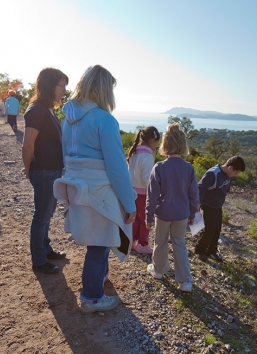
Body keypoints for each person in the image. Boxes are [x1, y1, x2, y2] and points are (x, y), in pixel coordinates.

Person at [53, 65, 137, 314]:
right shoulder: (105, 119)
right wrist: (130, 205)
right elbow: (117, 168)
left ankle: (97, 281)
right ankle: (91, 297)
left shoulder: (67, 119)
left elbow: (65, 157)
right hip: (100, 190)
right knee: (99, 244)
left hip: (77, 188)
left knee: (95, 242)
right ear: (103, 89)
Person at [22, 68, 69, 274]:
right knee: (41, 215)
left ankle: (46, 248)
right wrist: (27, 168)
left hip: (53, 170)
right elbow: (27, 144)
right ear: (50, 85)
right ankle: (39, 260)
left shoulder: (48, 109)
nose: (64, 90)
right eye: (62, 86)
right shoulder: (37, 110)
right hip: (44, 171)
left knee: (47, 213)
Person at [145, 123, 199, 293]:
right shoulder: (189, 168)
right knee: (179, 244)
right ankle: (185, 281)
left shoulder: (159, 167)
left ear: (165, 145)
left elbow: (152, 195)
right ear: (183, 145)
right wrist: (192, 213)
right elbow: (193, 195)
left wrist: (148, 217)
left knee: (160, 242)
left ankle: (159, 271)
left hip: (162, 214)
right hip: (182, 214)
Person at [194, 156, 246, 262]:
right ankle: (200, 250)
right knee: (209, 229)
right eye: (236, 173)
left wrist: (225, 192)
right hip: (208, 205)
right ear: (230, 168)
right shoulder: (213, 173)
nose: (235, 176)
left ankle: (211, 251)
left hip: (217, 206)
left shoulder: (227, 175)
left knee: (217, 230)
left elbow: (226, 186)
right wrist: (197, 203)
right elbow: (200, 187)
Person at [127, 126, 160, 254]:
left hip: (132, 191)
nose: (157, 146)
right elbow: (147, 179)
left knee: (134, 218)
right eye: (157, 142)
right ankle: (143, 244)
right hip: (143, 193)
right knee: (146, 219)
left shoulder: (134, 153)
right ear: (152, 140)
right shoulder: (148, 156)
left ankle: (132, 241)